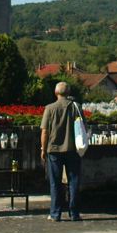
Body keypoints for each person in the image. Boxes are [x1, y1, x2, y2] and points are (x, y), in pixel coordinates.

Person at [39, 82, 82, 222]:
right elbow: (83, 127)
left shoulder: (50, 108)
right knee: (73, 181)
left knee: (55, 183)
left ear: (56, 92)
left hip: (54, 149)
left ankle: (55, 213)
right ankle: (74, 213)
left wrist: (43, 149)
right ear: (68, 92)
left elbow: (44, 131)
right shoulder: (76, 107)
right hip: (73, 149)